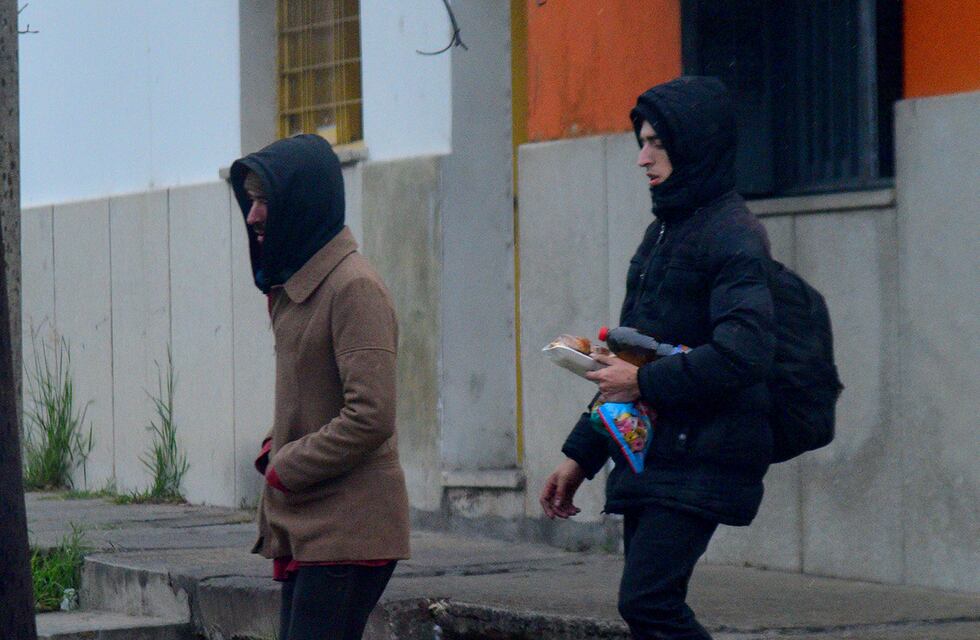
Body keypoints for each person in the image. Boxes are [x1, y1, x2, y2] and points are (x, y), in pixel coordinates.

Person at [539, 77, 776, 639]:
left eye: (657, 144)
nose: (642, 158)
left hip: (703, 453)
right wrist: (581, 457)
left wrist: (644, 384)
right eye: (640, 142)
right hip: (654, 452)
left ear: (694, 145)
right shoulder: (664, 232)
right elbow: (631, 362)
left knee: (648, 603)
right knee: (646, 611)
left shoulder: (733, 236)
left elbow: (746, 353)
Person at [230, 134, 410, 640]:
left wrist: (287, 464)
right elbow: (310, 391)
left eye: (264, 199)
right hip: (314, 522)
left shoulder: (353, 288)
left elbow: (371, 415)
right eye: (250, 200)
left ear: (303, 202)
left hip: (350, 525)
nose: (253, 215)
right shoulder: (299, 287)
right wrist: (274, 441)